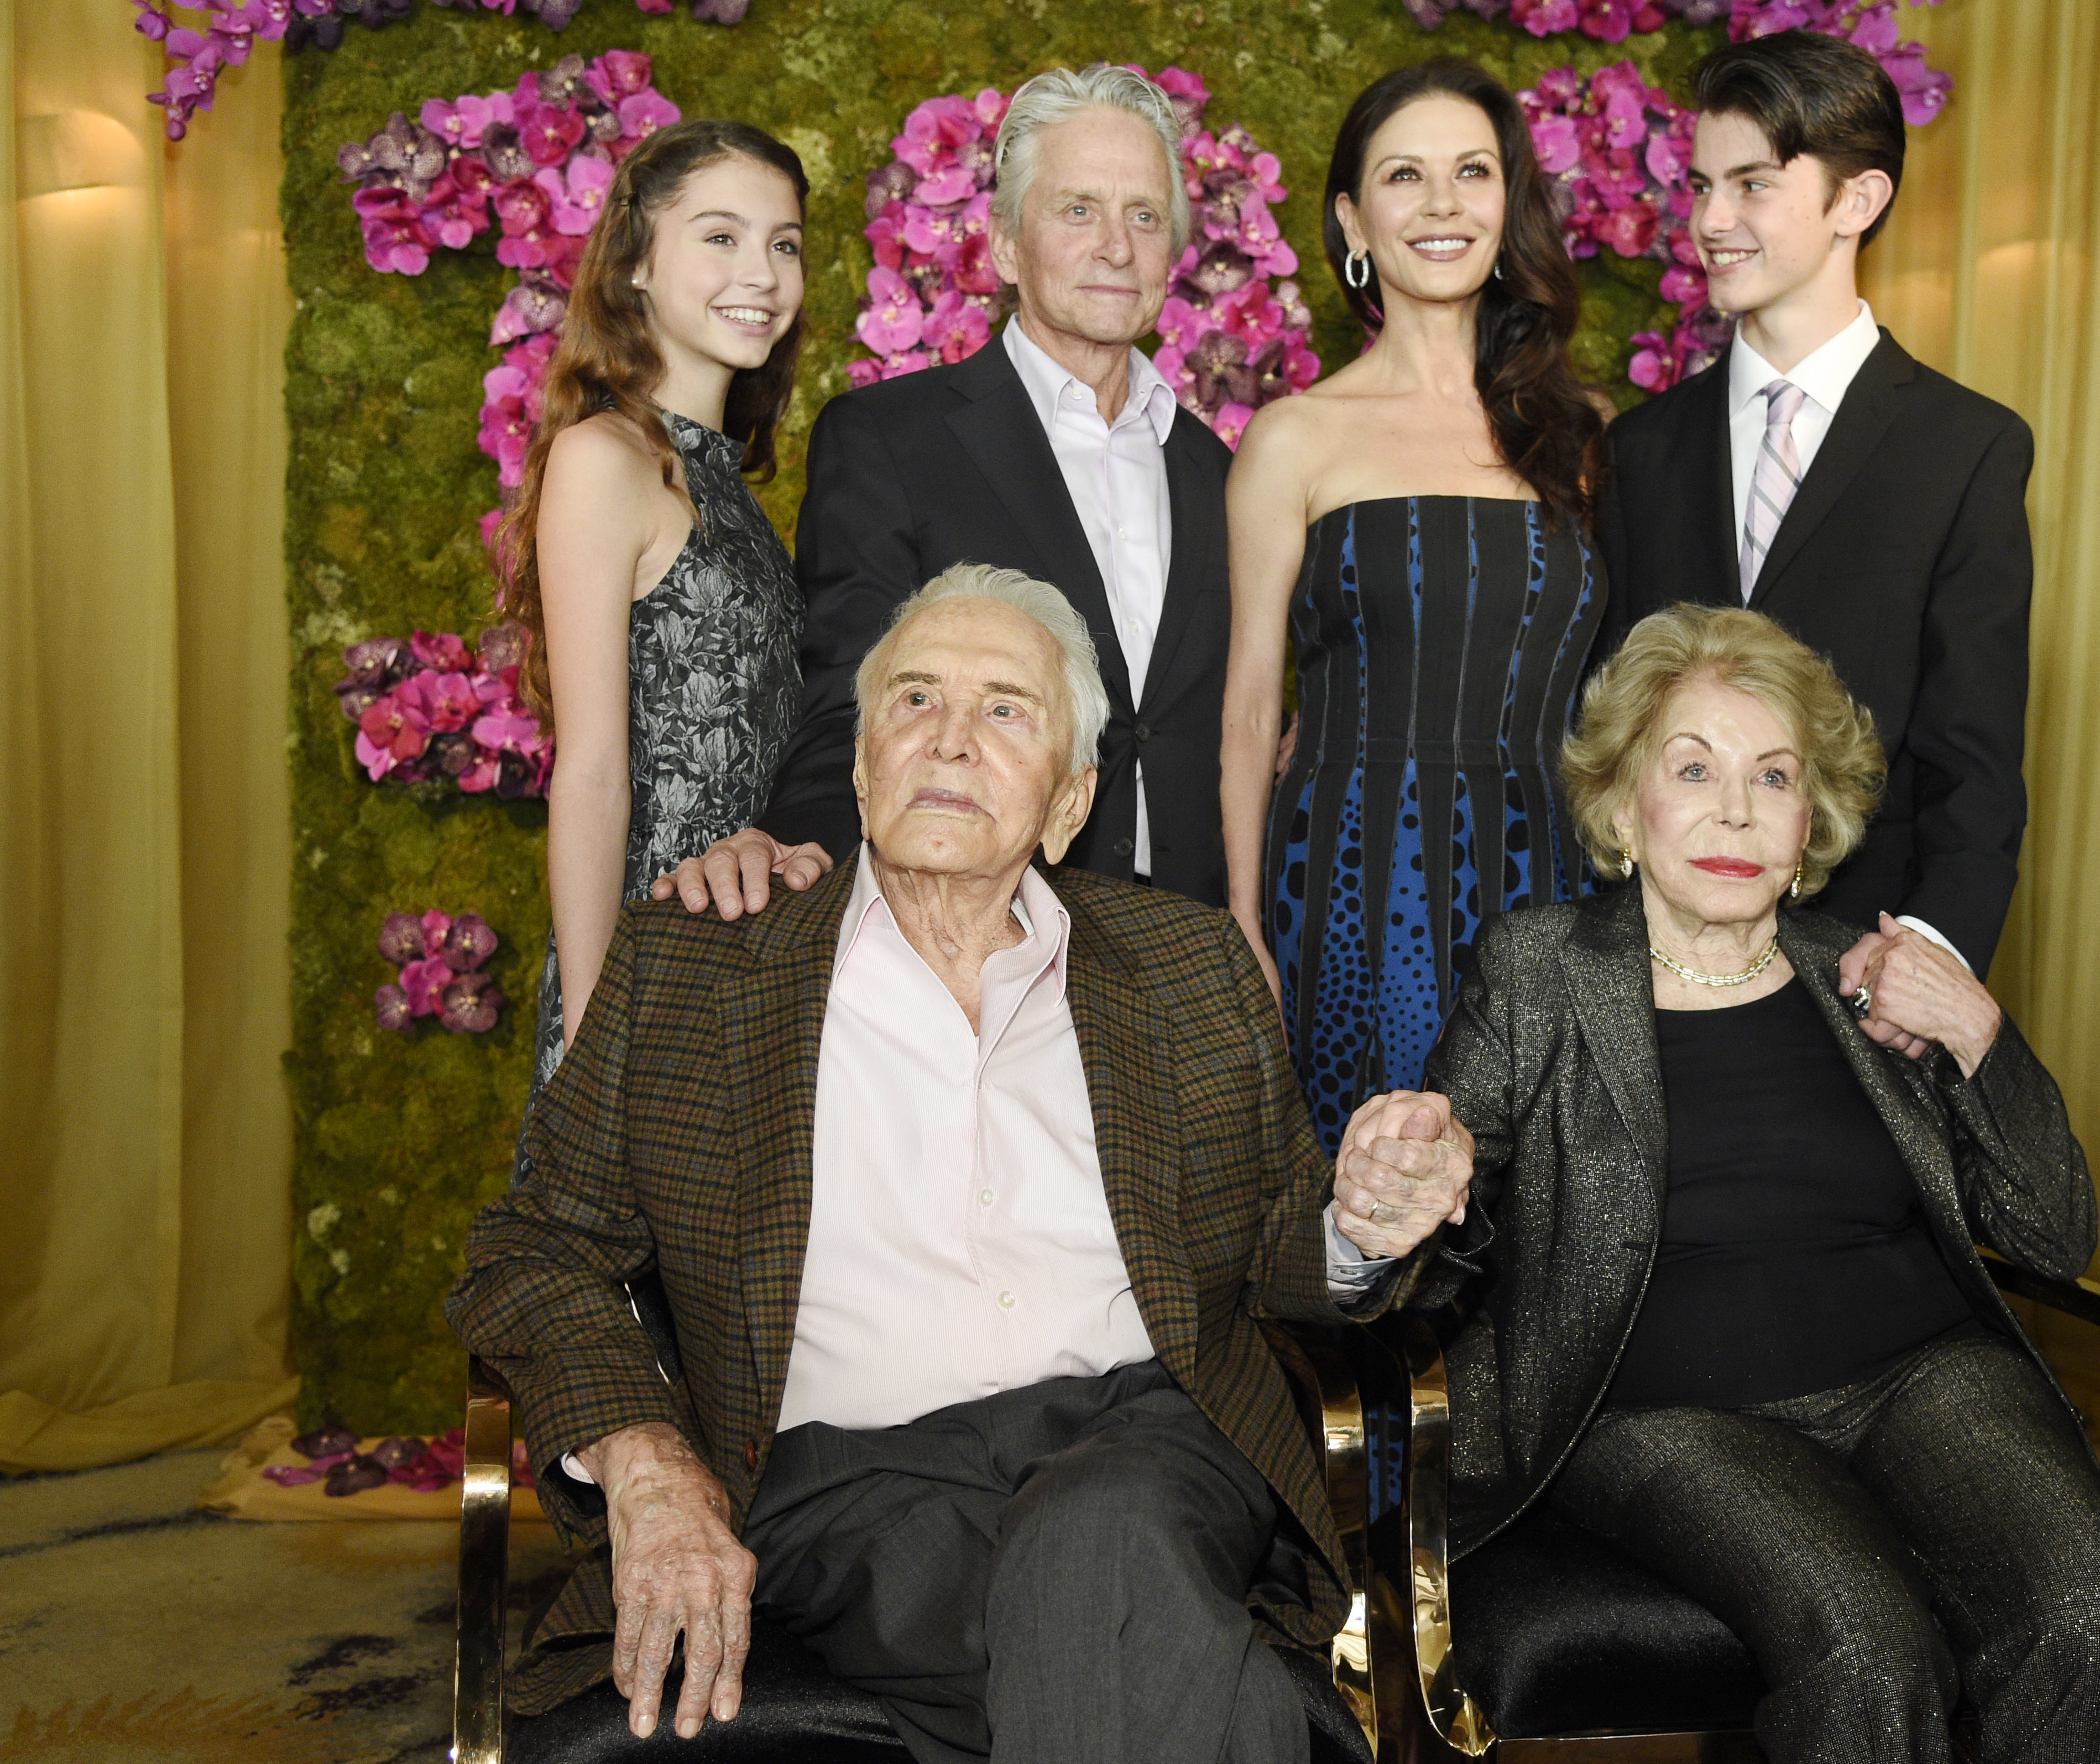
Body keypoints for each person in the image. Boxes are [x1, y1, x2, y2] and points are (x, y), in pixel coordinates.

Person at [447, 564, 1479, 1764]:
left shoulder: (1186, 967)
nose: (949, 739)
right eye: (914, 701)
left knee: (1104, 1532)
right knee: (1128, 1635)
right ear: (859, 769)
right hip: (853, 1492)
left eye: (1006, 711)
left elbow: (1275, 1257)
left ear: (1068, 799)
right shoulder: (699, 973)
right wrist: (645, 1462)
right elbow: (533, 1251)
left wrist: (1360, 1225)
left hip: (1148, 1437)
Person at [1420, 604, 2100, 1763]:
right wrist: (1402, 1195)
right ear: (1622, 805)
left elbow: (2051, 1233)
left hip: (1920, 1380)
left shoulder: (1864, 979)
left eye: (1771, 778)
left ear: (1808, 826)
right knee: (1863, 1644)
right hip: (1662, 1412)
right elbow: (1436, 1231)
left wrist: (1981, 1035)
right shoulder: (1537, 973)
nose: (1734, 809)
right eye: (1692, 769)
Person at [677, 62, 1236, 918]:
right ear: (1007, 244)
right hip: (974, 944)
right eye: (1078, 210)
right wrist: (793, 843)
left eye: (1145, 216)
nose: (1116, 246)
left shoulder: (1218, 471)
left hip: (1188, 945)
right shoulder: (890, 442)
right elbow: (846, 703)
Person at [1219, 57, 1609, 1153]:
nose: (1440, 205)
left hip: (1548, 884)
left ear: (1507, 202)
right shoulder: (1293, 437)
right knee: (1374, 1215)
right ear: (1351, 215)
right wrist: (1246, 922)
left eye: (1471, 172)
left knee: (1540, 1207)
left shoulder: (1574, 435)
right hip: (1351, 879)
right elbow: (1251, 707)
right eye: (1403, 176)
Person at [1591, 30, 2034, 980]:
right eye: (1702, 185)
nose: (1712, 219)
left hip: (1868, 963)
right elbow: (1613, 734)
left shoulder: (1967, 448)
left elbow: (1975, 759)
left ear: (1859, 200)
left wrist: (1926, 957)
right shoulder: (1641, 449)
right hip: (1659, 964)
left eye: (1752, 184)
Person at [490, 119, 809, 1116]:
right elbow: (588, 771)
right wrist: (592, 1044)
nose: (760, 271)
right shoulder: (605, 459)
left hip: (753, 976)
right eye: (719, 236)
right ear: (635, 262)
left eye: (784, 243)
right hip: (652, 989)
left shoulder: (732, 486)